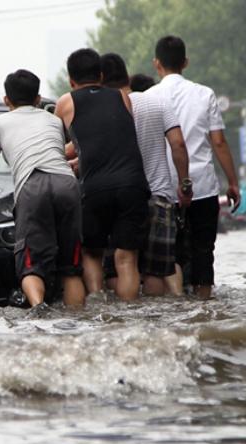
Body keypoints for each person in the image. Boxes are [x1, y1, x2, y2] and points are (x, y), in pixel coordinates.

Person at [0, 69, 85, 308]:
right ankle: (77, 318)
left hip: (32, 185)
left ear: (6, 100)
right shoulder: (54, 121)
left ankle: (38, 307)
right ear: (38, 99)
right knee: (71, 268)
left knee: (31, 266)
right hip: (66, 183)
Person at [147, 36, 240, 299]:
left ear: (156, 64)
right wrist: (233, 182)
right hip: (203, 187)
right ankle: (204, 303)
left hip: (164, 188)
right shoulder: (204, 93)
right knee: (203, 251)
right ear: (185, 62)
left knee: (170, 253)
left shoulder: (148, 97)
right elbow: (219, 142)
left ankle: (176, 305)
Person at [54, 48, 150, 302]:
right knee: (126, 257)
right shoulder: (122, 96)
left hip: (95, 188)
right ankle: (129, 312)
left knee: (92, 253)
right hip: (133, 184)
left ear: (71, 80)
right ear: (100, 74)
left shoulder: (66, 102)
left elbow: (56, 145)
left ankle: (99, 305)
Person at [100, 53, 192, 297]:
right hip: (159, 197)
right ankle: (155, 325)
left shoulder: (106, 110)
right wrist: (184, 185)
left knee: (116, 270)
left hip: (120, 199)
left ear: (100, 79)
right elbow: (178, 145)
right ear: (127, 75)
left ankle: (126, 322)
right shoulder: (158, 102)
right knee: (155, 271)